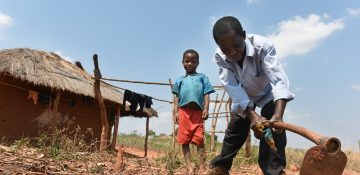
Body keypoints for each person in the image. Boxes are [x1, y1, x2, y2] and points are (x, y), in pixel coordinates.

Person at [208, 16, 295, 175]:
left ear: (243, 35)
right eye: (226, 50)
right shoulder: (220, 56)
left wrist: (278, 115)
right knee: (236, 127)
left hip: (268, 92)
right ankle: (221, 166)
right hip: (244, 94)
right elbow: (233, 87)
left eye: (236, 46)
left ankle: (274, 171)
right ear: (219, 47)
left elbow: (278, 80)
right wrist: (252, 114)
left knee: (273, 128)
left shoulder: (263, 46)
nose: (232, 52)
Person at [172, 49, 215, 174]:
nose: (189, 63)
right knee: (184, 140)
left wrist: (206, 108)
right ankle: (189, 166)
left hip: (197, 113)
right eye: (187, 61)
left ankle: (201, 166)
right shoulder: (180, 80)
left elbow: (207, 94)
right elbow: (176, 98)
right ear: (182, 63)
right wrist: (175, 112)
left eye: (193, 61)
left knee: (199, 140)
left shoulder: (202, 78)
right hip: (183, 112)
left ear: (198, 63)